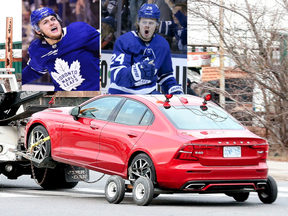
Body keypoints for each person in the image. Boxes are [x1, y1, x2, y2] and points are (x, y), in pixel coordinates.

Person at [108, 3, 183, 94]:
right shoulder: (124, 41)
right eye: (144, 22)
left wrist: (172, 87)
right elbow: (116, 75)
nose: (147, 26)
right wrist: (134, 73)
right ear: (138, 22)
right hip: (122, 92)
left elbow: (164, 74)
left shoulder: (163, 44)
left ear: (157, 25)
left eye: (151, 23)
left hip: (147, 93)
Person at [22, 7, 100, 91]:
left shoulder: (79, 30)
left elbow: (102, 47)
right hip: (64, 100)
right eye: (45, 22)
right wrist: (14, 82)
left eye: (53, 19)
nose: (52, 23)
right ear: (38, 31)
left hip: (93, 97)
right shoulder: (37, 49)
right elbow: (33, 71)